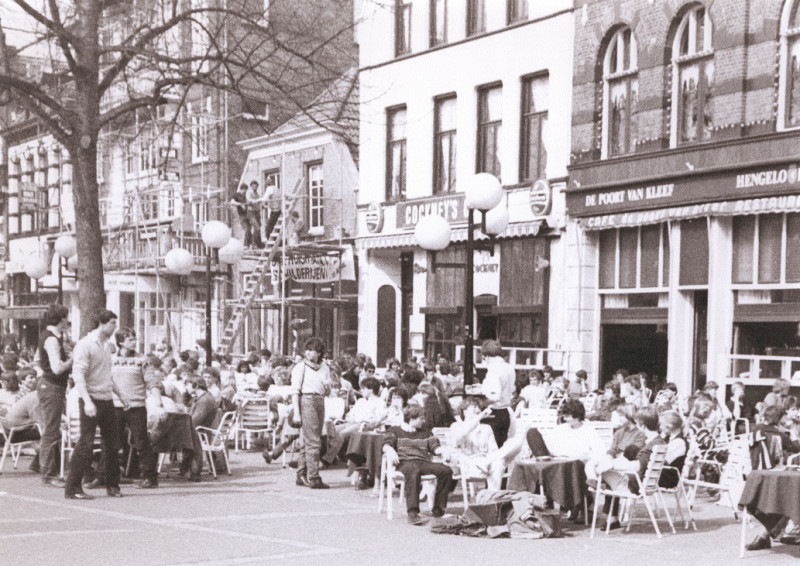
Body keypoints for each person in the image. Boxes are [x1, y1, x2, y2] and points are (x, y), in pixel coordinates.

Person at [65, 309, 125, 500]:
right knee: (86, 443)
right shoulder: (85, 345)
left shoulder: (107, 345)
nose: (115, 327)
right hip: (91, 398)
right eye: (112, 323)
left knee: (112, 444)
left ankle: (113, 484)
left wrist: (120, 395)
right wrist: (88, 401)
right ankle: (73, 487)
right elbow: (79, 375)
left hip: (106, 398)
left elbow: (107, 374)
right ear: (102, 323)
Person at [382, 404, 453, 526]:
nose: (424, 420)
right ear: (412, 418)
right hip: (404, 463)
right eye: (421, 418)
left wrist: (444, 451)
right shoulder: (395, 430)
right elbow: (386, 444)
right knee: (413, 470)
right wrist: (389, 449)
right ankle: (413, 512)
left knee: (446, 470)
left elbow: (435, 448)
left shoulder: (425, 432)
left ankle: (438, 509)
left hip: (423, 462)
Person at [109, 328, 162, 489]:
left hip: (136, 406)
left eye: (134, 338)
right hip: (115, 406)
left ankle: (149, 477)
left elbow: (151, 382)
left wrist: (159, 402)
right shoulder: (111, 359)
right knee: (111, 442)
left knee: (141, 441)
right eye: (130, 339)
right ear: (121, 342)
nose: (134, 342)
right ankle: (105, 475)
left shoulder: (142, 360)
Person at [36, 304, 73, 488]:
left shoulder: (50, 336)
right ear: (60, 319)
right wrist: (72, 359)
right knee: (51, 430)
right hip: (53, 386)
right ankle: (48, 474)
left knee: (52, 428)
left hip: (49, 385)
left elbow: (38, 359)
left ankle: (44, 467)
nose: (68, 320)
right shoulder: (51, 339)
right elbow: (57, 368)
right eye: (66, 317)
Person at [290, 337, 333, 489]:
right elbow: (295, 391)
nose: (308, 353)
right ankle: (313, 476)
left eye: (312, 350)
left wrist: (328, 387)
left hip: (320, 400)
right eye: (307, 350)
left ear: (319, 352)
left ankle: (301, 473)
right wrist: (296, 413)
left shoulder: (324, 367)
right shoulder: (300, 367)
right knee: (314, 441)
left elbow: (327, 391)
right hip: (307, 400)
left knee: (309, 440)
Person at [479, 340, 515, 448]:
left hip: (494, 413)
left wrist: (481, 397)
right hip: (505, 412)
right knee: (501, 449)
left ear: (487, 356)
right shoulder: (509, 367)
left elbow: (495, 395)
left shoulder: (494, 369)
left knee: (491, 450)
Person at [245, 180, 264, 248]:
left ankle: (258, 244)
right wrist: (255, 201)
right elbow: (249, 200)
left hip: (257, 212)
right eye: (253, 186)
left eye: (256, 186)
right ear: (251, 186)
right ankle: (253, 244)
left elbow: (260, 201)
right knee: (257, 227)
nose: (255, 187)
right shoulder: (249, 192)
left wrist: (262, 205)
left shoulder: (257, 194)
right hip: (251, 212)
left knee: (258, 228)